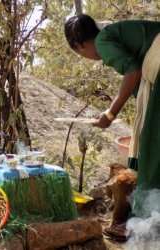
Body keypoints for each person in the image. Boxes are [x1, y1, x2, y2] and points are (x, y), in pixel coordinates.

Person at [64, 14, 160, 240]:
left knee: (152, 145)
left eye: (79, 53)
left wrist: (110, 114)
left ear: (80, 46)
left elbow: (133, 72)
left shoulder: (102, 41)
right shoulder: (114, 34)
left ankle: (144, 221)